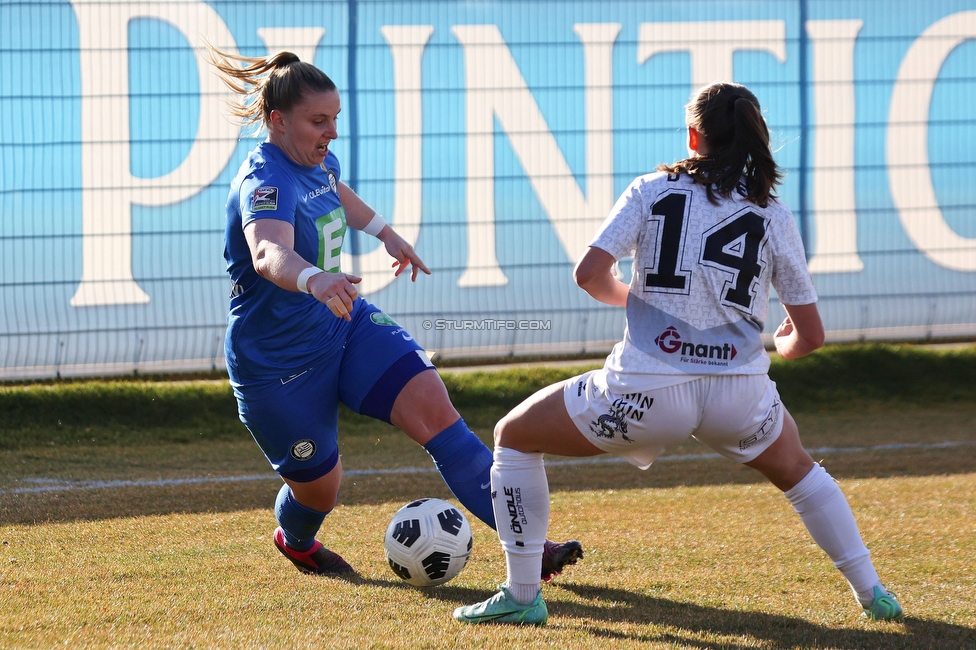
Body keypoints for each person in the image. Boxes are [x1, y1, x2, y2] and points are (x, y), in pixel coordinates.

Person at [454, 82, 904, 626]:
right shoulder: (773, 213)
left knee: (513, 436)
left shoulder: (651, 189)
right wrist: (782, 344)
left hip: (645, 392)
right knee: (804, 476)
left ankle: (523, 597)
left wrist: (639, 304)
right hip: (739, 397)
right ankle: (873, 594)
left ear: (694, 135)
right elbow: (808, 337)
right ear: (752, 138)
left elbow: (589, 275)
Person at [208, 48, 583, 578]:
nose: (331, 133)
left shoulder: (318, 161)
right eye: (319, 121)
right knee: (320, 490)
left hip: (344, 324)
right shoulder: (264, 182)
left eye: (335, 119)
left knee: (435, 411)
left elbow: (336, 191)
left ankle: (530, 548)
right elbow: (269, 253)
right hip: (276, 365)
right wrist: (314, 277)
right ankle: (294, 539)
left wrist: (384, 231)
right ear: (277, 120)